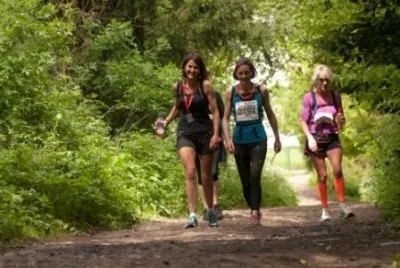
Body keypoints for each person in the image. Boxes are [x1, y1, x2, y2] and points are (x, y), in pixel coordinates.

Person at [155, 52, 220, 228]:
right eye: (190, 66)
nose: (192, 70)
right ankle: (192, 215)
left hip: (205, 132)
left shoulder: (205, 86)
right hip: (185, 132)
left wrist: (216, 134)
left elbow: (214, 112)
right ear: (185, 67)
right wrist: (165, 122)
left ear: (200, 70)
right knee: (190, 172)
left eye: (196, 67)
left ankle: (210, 211)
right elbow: (177, 107)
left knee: (205, 176)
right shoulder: (177, 87)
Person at [222, 57, 281, 226]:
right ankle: (254, 206)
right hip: (239, 139)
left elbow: (270, 113)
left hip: (258, 139)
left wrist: (277, 137)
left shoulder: (261, 90)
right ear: (236, 74)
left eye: (247, 72)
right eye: (240, 73)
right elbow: (225, 118)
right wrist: (227, 139)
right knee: (245, 180)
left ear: (252, 73)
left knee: (255, 176)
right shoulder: (231, 92)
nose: (244, 76)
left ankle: (254, 212)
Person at [300, 64, 355, 221]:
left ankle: (343, 205)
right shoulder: (309, 97)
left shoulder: (335, 96)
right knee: (322, 176)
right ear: (315, 81)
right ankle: (325, 209)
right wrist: (310, 139)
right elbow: (303, 121)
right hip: (315, 139)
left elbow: (341, 124)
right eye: (321, 80)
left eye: (327, 81)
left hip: (332, 138)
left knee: (337, 171)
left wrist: (340, 120)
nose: (324, 83)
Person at [195, 91, 226, 221]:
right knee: (201, 174)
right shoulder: (191, 96)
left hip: (214, 138)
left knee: (212, 172)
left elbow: (223, 116)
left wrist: (224, 137)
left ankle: (215, 205)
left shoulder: (215, 95)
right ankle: (206, 208)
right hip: (196, 137)